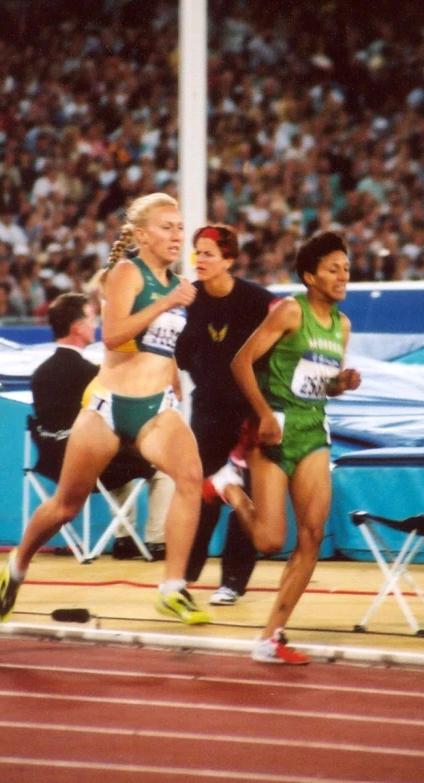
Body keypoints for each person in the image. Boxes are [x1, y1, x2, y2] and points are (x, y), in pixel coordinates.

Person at [0, 192, 210, 625]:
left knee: (189, 478)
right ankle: (16, 566)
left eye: (180, 227)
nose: (177, 234)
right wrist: (168, 302)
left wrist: (172, 380)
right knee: (66, 505)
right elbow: (112, 336)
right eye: (167, 226)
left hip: (155, 408)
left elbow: (162, 346)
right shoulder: (128, 273)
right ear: (142, 236)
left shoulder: (176, 282)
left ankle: (173, 587)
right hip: (108, 407)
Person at [210, 230, 361, 663]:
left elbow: (322, 384)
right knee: (271, 539)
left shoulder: (342, 325)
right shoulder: (291, 312)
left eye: (346, 268)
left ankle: (271, 636)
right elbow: (240, 360)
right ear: (311, 277)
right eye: (333, 268)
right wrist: (261, 416)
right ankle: (230, 489)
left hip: (313, 433)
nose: (342, 275)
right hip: (273, 431)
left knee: (312, 535)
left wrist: (341, 383)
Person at [175, 224, 275, 605]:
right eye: (197, 253)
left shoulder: (255, 300)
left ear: (229, 260)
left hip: (248, 413)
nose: (199, 260)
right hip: (207, 411)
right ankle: (182, 576)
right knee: (199, 493)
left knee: (243, 496)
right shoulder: (188, 298)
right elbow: (175, 349)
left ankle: (232, 581)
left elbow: (285, 330)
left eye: (208, 254)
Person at [29, 290, 171, 558]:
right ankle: (156, 540)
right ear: (77, 328)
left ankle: (124, 538)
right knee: (161, 467)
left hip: (50, 463)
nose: (96, 325)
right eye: (92, 319)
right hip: (86, 463)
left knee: (121, 463)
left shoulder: (39, 374)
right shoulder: (91, 374)